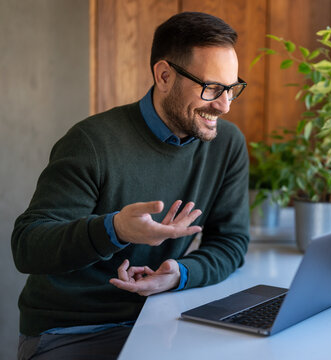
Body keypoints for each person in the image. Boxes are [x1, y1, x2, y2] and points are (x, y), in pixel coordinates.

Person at [12, 12, 249, 360]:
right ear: (164, 75)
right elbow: (27, 246)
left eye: (231, 89)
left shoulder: (226, 144)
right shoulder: (91, 142)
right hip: (73, 330)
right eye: (211, 88)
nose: (224, 105)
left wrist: (179, 274)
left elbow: (231, 241)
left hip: (160, 319)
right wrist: (115, 229)